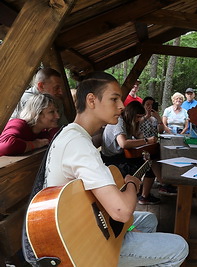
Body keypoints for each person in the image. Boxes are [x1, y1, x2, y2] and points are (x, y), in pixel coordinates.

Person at [43, 73, 188, 266]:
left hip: (85, 220)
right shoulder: (78, 144)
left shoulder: (73, 134)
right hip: (81, 243)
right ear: (91, 100)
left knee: (149, 219)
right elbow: (121, 211)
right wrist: (131, 184)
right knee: (179, 246)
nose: (121, 106)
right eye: (114, 99)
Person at [101, 101, 161, 205]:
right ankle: (145, 194)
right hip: (112, 159)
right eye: (137, 117)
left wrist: (144, 138)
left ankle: (147, 191)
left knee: (151, 157)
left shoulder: (128, 122)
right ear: (132, 114)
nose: (138, 120)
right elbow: (123, 143)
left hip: (121, 155)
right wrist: (147, 141)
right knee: (149, 164)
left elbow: (137, 135)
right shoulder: (119, 121)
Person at [141, 96, 177, 196]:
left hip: (153, 145)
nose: (149, 107)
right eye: (147, 104)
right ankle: (163, 184)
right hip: (142, 145)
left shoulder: (154, 118)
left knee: (165, 154)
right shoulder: (139, 117)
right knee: (153, 160)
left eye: (152, 105)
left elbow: (160, 130)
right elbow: (136, 126)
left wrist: (158, 118)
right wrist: (147, 116)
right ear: (143, 105)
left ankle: (164, 182)